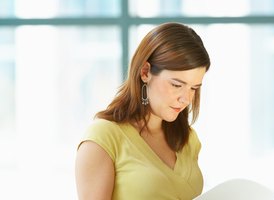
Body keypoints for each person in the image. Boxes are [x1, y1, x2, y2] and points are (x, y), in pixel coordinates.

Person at [75, 22, 211, 200]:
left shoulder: (188, 139)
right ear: (145, 72)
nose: (186, 98)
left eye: (194, 88)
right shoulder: (103, 138)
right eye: (177, 85)